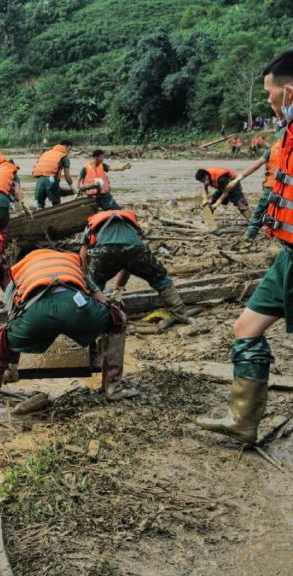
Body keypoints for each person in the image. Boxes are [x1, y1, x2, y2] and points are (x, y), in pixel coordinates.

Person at [196, 49, 293, 444]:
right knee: (245, 327)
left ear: (289, 91)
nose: (268, 102)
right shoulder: (286, 135)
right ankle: (243, 420)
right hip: (288, 255)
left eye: (270, 94)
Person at [0, 249, 130, 416]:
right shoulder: (67, 262)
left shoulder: (19, 271)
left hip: (37, 314)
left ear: (22, 260)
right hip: (76, 306)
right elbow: (101, 298)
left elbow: (13, 317)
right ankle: (112, 388)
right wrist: (100, 325)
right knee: (117, 320)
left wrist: (12, 364)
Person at [79, 210, 189, 322]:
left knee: (94, 284)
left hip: (104, 250)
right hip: (135, 248)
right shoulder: (129, 220)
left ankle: (92, 320)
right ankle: (180, 314)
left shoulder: (93, 221)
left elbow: (84, 250)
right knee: (160, 278)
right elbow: (128, 264)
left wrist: (85, 278)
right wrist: (118, 291)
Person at [226, 125, 286, 240]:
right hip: (287, 189)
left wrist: (238, 179)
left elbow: (255, 166)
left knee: (259, 215)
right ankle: (278, 238)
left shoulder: (272, 150)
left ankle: (248, 238)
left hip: (272, 188)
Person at [32, 140, 74, 210]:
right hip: (51, 180)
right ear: (67, 147)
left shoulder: (46, 153)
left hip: (40, 181)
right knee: (56, 204)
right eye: (70, 149)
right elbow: (67, 177)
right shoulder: (64, 157)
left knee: (40, 204)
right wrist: (73, 187)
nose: (69, 151)